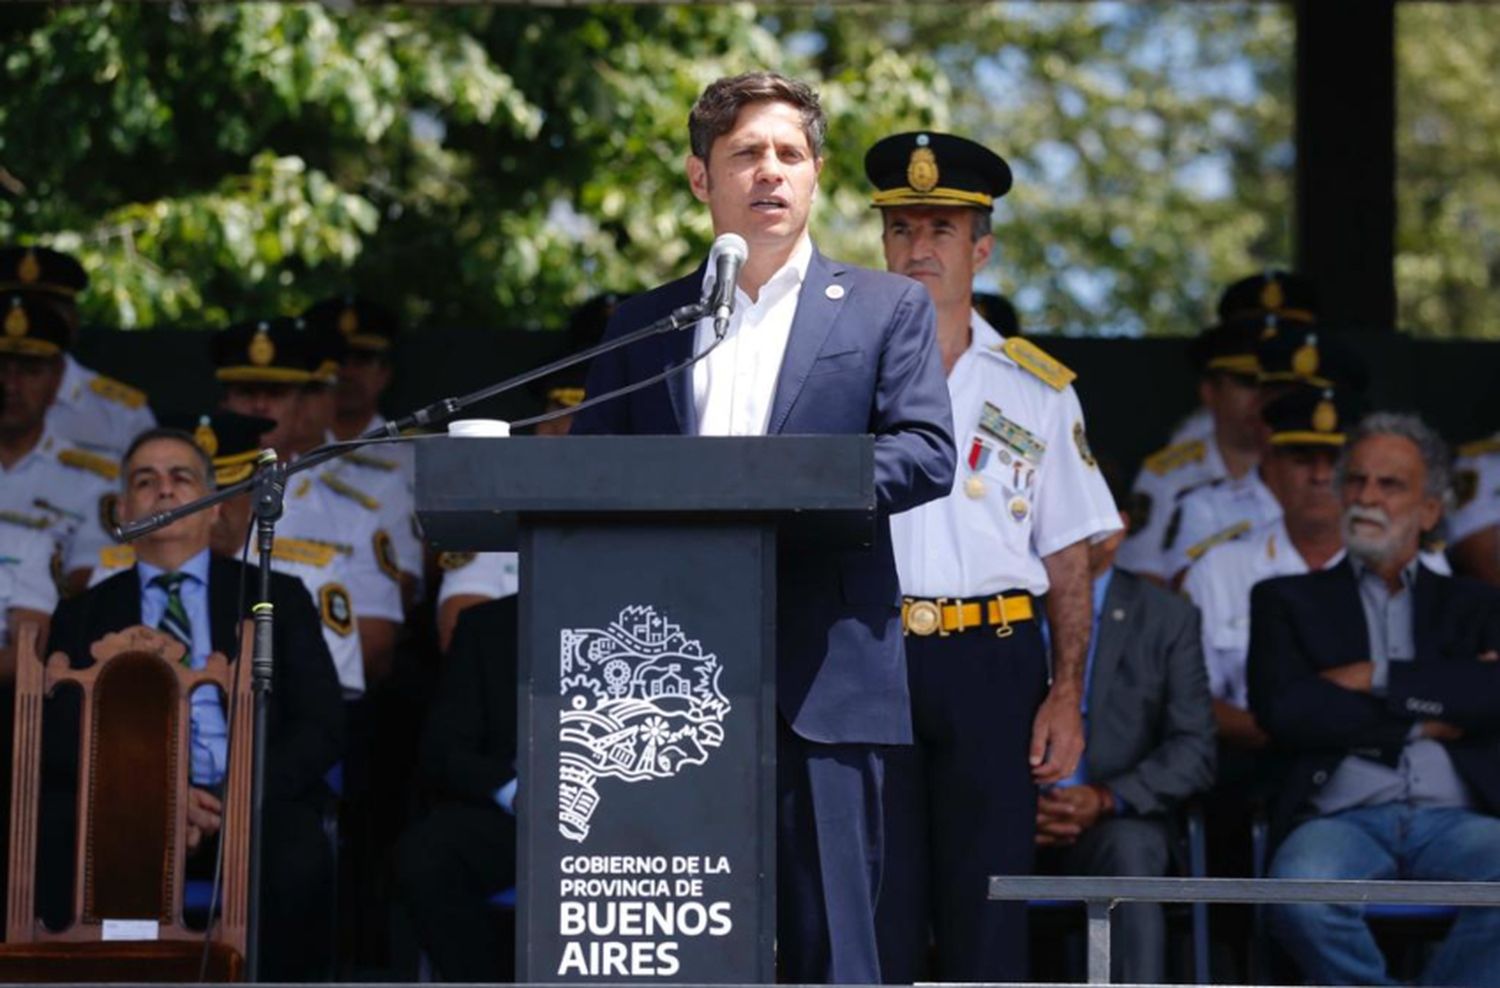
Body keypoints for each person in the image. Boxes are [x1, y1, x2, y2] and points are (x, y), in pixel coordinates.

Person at [572, 73, 955, 984]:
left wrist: (780, 490)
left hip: (825, 676)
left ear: (816, 175)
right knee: (677, 950)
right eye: (746, 153)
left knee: (834, 948)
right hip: (665, 690)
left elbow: (926, 453)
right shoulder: (642, 323)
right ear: (703, 179)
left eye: (791, 154)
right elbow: (589, 473)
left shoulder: (883, 308)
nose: (771, 172)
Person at [858, 130, 1119, 983]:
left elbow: (1069, 554)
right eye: (902, 228)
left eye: (941, 228)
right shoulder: (834, 373)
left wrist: (1068, 690)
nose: (919, 246)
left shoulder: (1035, 386)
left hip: (994, 657)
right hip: (869, 653)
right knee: (875, 906)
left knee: (989, 914)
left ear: (982, 247)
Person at [40, 425, 345, 979]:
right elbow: (60, 736)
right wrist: (152, 798)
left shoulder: (278, 596)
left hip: (252, 801)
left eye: (182, 478)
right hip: (123, 806)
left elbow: (322, 723)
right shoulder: (83, 613)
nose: (164, 491)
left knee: (298, 856)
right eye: (145, 481)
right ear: (122, 511)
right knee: (55, 834)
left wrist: (235, 796)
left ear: (214, 509)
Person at [1248, 412, 1500, 987]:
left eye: (1389, 485)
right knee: (1300, 897)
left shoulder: (1478, 605)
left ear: (1430, 509)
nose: (1367, 497)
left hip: (1460, 818)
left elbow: (1491, 696)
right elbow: (1287, 711)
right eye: (1356, 481)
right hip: (1341, 816)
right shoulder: (1284, 599)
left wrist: (1377, 675)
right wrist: (1426, 717)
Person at [1033, 464, 1215, 984]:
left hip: (1116, 817)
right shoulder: (1006, 602)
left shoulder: (1165, 617)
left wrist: (1105, 798)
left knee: (1131, 851)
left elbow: (1194, 749)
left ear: (1115, 530)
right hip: (1012, 816)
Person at [212, 317, 403, 690]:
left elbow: (376, 644)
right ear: (224, 401)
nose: (260, 404)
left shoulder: (354, 512)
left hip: (300, 705)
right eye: (246, 391)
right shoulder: (180, 500)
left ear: (301, 405)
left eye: (278, 393)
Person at [395, 596, 519, 982]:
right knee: (426, 854)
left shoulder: (669, 613)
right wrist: (517, 793)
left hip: (644, 819)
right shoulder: (488, 625)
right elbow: (445, 748)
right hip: (521, 817)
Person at [0, 294, 117, 594]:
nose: (11, 386)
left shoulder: (96, 478)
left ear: (56, 382)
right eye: (2, 368)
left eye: (30, 372)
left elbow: (89, 580)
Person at [0, 245, 156, 456]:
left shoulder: (121, 413)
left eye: (44, 314)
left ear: (72, 321)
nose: (25, 322)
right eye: (10, 309)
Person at [1164, 271, 1318, 446]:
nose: (1264, 400)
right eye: (1249, 382)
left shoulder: (1345, 444)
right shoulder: (1188, 451)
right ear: (1210, 391)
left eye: (1280, 386)